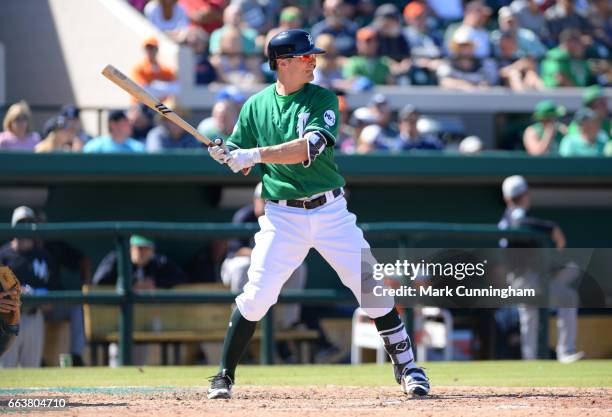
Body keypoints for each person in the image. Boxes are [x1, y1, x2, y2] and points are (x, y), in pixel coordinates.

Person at [206, 28, 429, 399]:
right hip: (282, 217)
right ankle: (223, 376)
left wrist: (254, 155)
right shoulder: (256, 105)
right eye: (305, 57)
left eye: (313, 57)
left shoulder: (322, 98)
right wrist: (226, 153)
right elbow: (239, 153)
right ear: (282, 63)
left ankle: (408, 367)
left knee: (369, 284)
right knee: (257, 294)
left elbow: (307, 148)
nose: (313, 62)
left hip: (330, 211)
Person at [498, 175, 584, 363]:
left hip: (523, 279)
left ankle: (533, 360)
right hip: (526, 280)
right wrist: (552, 228)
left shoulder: (507, 215)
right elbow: (519, 222)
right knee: (567, 297)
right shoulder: (515, 214)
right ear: (525, 195)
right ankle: (565, 351)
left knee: (531, 318)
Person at [0, 206, 57, 368]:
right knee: (5, 372)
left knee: (32, 371)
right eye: (21, 223)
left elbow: (54, 293)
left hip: (34, 315)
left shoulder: (44, 256)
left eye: (28, 223)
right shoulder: (3, 256)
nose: (25, 227)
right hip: (7, 317)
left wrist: (37, 297)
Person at [92, 235, 185, 289]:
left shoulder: (159, 262)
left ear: (152, 250)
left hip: (150, 313)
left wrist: (155, 283)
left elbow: (182, 278)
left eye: (147, 248)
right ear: (131, 249)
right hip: (116, 312)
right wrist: (132, 283)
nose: (142, 252)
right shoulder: (116, 259)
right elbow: (98, 281)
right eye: (139, 248)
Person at [132, 37, 180, 101]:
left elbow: (176, 87)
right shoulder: (139, 68)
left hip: (159, 106)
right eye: (147, 49)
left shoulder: (165, 69)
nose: (149, 51)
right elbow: (142, 88)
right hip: (142, 105)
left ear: (157, 49)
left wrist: (158, 86)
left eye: (152, 48)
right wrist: (161, 87)